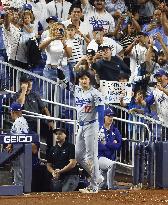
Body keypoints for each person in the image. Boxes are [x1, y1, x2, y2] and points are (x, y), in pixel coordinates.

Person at [74, 70, 104, 193]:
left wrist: (101, 128)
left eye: (85, 78)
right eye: (81, 79)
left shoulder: (95, 93)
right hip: (81, 126)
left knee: (91, 156)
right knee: (78, 156)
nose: (83, 80)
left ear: (90, 79)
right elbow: (65, 84)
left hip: (91, 125)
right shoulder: (77, 90)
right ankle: (97, 177)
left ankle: (94, 186)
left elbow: (101, 110)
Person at [12, 74, 53, 150]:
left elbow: (44, 108)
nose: (30, 84)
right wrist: (24, 91)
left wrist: (50, 120)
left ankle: (49, 157)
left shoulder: (35, 95)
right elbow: (19, 105)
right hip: (26, 123)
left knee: (50, 131)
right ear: (22, 83)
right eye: (27, 82)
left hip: (37, 121)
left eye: (31, 81)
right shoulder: (17, 95)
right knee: (31, 140)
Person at [6, 102, 29, 186]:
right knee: (18, 174)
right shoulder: (21, 120)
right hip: (20, 150)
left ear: (13, 112)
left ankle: (19, 191)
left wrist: (10, 145)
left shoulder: (19, 121)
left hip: (19, 150)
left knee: (19, 176)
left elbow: (18, 138)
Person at [98, 108, 122, 190]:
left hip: (110, 158)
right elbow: (98, 146)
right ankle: (111, 188)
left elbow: (119, 145)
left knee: (101, 186)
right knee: (112, 164)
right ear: (104, 117)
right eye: (108, 116)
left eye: (112, 116)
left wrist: (107, 143)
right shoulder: (99, 129)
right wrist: (112, 144)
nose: (110, 118)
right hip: (99, 158)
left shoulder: (115, 130)